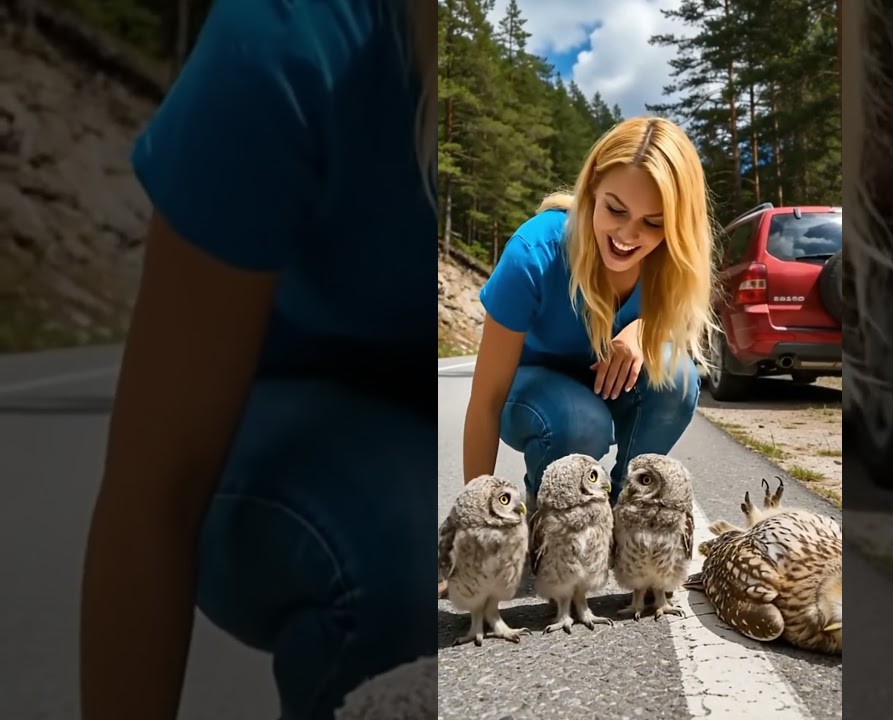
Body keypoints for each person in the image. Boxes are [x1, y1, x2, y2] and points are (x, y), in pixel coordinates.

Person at [78, 1, 438, 719]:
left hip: (425, 426)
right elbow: (155, 489)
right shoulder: (287, 34)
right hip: (265, 442)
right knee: (411, 546)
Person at [460, 117, 717, 509]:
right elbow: (485, 402)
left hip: (609, 385)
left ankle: (623, 511)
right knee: (582, 421)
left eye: (652, 223)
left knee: (677, 379)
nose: (628, 236)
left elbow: (675, 327)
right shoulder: (532, 254)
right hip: (530, 397)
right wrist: (476, 515)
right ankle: (554, 515)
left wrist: (640, 330)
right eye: (615, 210)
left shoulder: (670, 263)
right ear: (593, 185)